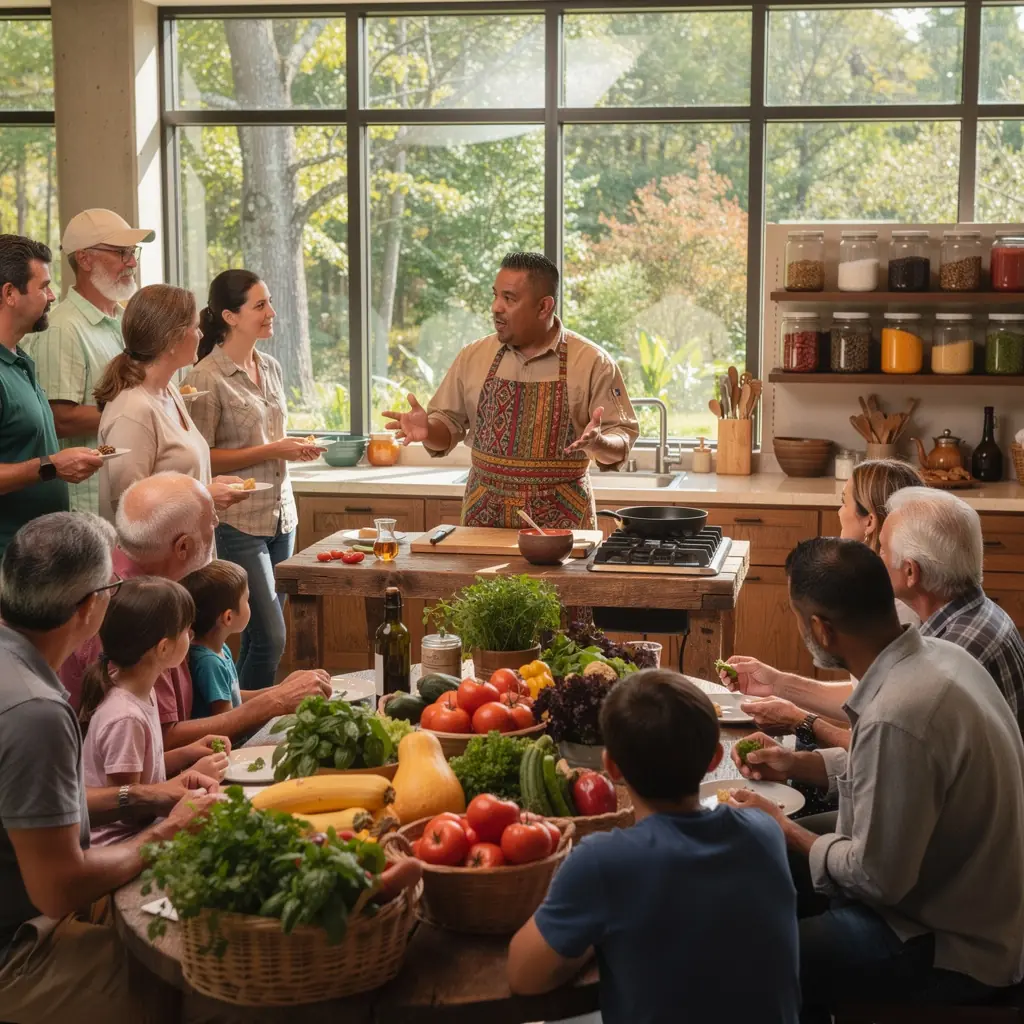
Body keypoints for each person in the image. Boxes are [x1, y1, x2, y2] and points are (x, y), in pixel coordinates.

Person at [729, 538, 1024, 1022]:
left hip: (951, 945)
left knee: (752, 955)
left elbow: (877, 878)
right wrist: (795, 764)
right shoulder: (939, 657)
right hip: (949, 886)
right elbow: (899, 775)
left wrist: (784, 828)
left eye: (799, 618)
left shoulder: (898, 712)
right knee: (758, 858)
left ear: (821, 630)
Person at [0, 511, 218, 1022]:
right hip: (18, 948)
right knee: (200, 975)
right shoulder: (35, 712)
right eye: (112, 587)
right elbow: (59, 887)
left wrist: (149, 795)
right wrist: (167, 832)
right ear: (89, 607)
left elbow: (32, 807)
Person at [508, 669, 799, 1024]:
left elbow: (523, 976)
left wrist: (593, 926)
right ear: (714, 759)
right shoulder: (765, 832)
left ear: (611, 768)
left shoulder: (601, 863)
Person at [60, 472, 332, 749]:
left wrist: (281, 692)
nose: (217, 525)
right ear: (183, 547)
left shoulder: (136, 577)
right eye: (211, 521)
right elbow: (159, 739)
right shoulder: (132, 610)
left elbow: (206, 700)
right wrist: (275, 701)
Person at [384, 251, 638, 529]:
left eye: (509, 298)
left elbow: (620, 439)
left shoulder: (592, 362)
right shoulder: (473, 356)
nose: (496, 307)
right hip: (483, 524)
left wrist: (600, 444)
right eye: (495, 296)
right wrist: (428, 431)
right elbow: (445, 430)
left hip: (562, 529)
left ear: (544, 307)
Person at [721, 458, 922, 750]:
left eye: (843, 502)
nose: (838, 512)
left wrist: (800, 722)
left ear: (869, 522)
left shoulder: (897, 608)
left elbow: (879, 746)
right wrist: (777, 683)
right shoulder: (891, 592)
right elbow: (865, 694)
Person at [184, 270, 321, 689]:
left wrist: (295, 448)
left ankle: (237, 716)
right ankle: (246, 722)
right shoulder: (204, 377)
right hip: (238, 522)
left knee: (262, 637)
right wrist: (274, 450)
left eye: (270, 302)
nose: (271, 312)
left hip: (282, 517)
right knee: (272, 638)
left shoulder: (270, 366)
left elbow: (272, 438)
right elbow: (202, 457)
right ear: (229, 316)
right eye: (260, 305)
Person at [22, 209, 154, 515]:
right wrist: (142, 410)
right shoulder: (62, 328)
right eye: (121, 253)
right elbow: (60, 419)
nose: (132, 263)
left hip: (128, 495)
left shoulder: (124, 321)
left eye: (133, 252)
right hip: (88, 505)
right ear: (84, 259)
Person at [80, 576, 230, 847]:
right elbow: (133, 808)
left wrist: (190, 752)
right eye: (186, 631)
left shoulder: (141, 691)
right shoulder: (125, 718)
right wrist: (189, 776)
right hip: (123, 843)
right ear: (164, 648)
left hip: (146, 827)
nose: (191, 636)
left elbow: (146, 772)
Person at [92, 283, 250, 520]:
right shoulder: (133, 411)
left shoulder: (170, 391)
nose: (201, 335)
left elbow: (173, 479)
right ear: (172, 340)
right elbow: (129, 509)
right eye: (195, 327)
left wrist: (208, 483)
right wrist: (204, 495)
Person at [881, 486, 1024, 736]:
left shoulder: (947, 658)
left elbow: (892, 750)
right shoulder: (983, 612)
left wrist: (811, 724)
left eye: (883, 549)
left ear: (911, 572)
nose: (877, 557)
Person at [0, 234, 102, 554]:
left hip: (38, 556)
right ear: (9, 293)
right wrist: (50, 466)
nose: (53, 295)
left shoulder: (20, 359)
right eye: (44, 286)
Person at [181, 559, 249, 718]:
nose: (249, 604)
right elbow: (226, 720)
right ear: (228, 617)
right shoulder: (210, 663)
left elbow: (233, 695)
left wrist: (280, 690)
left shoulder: (220, 648)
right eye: (247, 600)